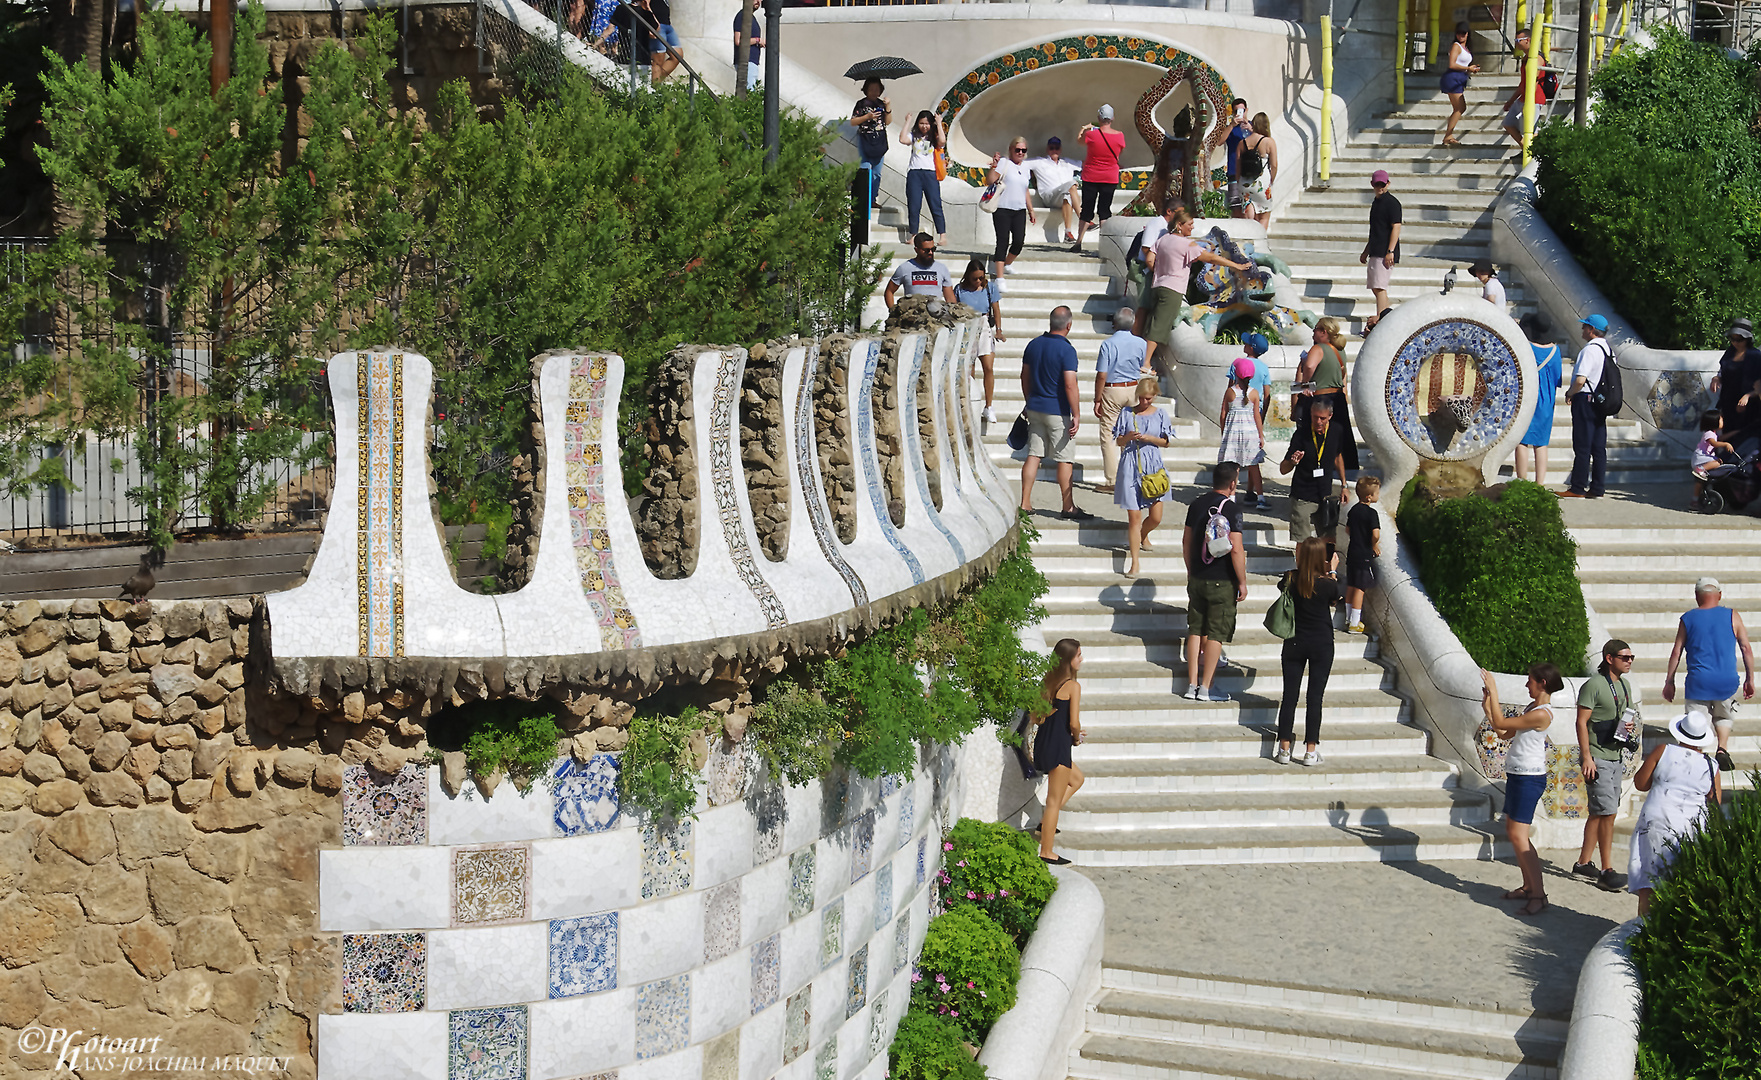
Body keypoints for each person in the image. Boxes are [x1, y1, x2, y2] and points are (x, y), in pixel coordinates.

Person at [1479, 662, 1564, 917]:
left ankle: (1539, 894)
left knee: (1519, 835)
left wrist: (1494, 692)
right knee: (1513, 832)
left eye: (1530, 680)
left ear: (1543, 683)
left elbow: (1503, 720)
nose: (1527, 684)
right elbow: (1504, 732)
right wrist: (1488, 707)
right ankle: (1528, 887)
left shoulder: (1543, 713)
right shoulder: (1532, 708)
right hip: (1518, 776)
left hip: (1529, 779)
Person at [1628, 711, 1722, 915]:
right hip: (1691, 827)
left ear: (1680, 733)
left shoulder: (1663, 751)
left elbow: (1641, 783)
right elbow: (1715, 802)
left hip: (1657, 821)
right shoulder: (1711, 765)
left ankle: (1644, 931)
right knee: (1681, 881)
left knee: (1649, 879)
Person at [1141, 205, 1253, 371]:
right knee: (1159, 326)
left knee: (1152, 323)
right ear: (1179, 225)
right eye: (1189, 224)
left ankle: (1143, 359)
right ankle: (1145, 364)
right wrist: (1236, 265)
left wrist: (1161, 271)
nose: (1192, 227)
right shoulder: (1186, 245)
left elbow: (1150, 259)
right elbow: (1212, 257)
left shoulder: (1162, 240)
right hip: (1172, 289)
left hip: (1157, 286)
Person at [1662, 576, 1754, 773]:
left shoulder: (1687, 619)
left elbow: (1677, 651)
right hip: (1726, 681)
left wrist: (1669, 681)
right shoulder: (1732, 615)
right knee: (1723, 716)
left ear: (1697, 596)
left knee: (1697, 721)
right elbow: (1746, 648)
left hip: (1698, 682)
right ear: (1719, 595)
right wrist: (1750, 678)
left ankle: (1696, 756)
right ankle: (1722, 748)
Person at [1573, 639, 1638, 891]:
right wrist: (1586, 757)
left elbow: (1623, 715)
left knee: (1600, 812)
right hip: (1597, 756)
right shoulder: (1594, 685)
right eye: (1625, 657)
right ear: (1610, 658)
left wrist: (1626, 727)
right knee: (1608, 812)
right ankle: (1607, 869)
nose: (1629, 661)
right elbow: (1581, 722)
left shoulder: (1624, 685)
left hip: (1615, 755)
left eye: (1632, 657)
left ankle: (1583, 863)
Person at [1182, 461, 1247, 703]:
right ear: (1232, 483)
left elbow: (1186, 541)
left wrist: (1191, 570)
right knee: (1216, 633)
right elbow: (1236, 549)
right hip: (1222, 580)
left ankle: (1191, 684)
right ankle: (1207, 687)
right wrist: (1242, 581)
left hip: (1197, 577)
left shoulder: (1196, 504)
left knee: (1195, 630)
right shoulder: (1232, 509)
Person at [1019, 307, 1091, 520]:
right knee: (1064, 459)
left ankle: (1025, 502)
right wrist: (1076, 414)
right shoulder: (1067, 350)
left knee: (1033, 454)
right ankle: (1068, 507)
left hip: (1035, 407)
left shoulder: (1033, 344)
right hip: (1057, 411)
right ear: (1069, 325)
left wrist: (1028, 399)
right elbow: (1070, 385)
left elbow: (1024, 376)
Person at [1275, 537, 1340, 766]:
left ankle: (1283, 749)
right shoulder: (1329, 583)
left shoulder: (1290, 578)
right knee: (1315, 698)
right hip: (1321, 643)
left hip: (1294, 642)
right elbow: (1335, 597)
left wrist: (1298, 561)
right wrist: (1332, 570)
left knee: (1289, 696)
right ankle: (1310, 751)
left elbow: (1284, 584)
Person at [1032, 638, 1086, 865]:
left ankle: (1046, 824)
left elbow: (1035, 718)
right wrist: (1077, 737)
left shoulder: (1046, 683)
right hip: (1060, 746)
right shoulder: (1073, 686)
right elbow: (1074, 723)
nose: (1081, 660)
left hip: (1044, 743)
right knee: (1053, 801)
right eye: (1078, 656)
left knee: (1078, 779)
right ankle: (1046, 850)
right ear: (1068, 660)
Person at [1113, 376, 1174, 578]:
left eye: (1149, 398)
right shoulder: (1127, 413)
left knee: (1156, 517)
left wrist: (1150, 438)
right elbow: (1118, 442)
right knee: (1134, 518)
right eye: (1142, 397)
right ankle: (1134, 563)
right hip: (1131, 465)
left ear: (1155, 396)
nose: (1145, 401)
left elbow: (1166, 442)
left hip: (1153, 466)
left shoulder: (1161, 414)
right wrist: (1128, 438)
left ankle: (1143, 535)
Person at [1093, 308, 1150, 495]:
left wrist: (1097, 398)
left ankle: (1112, 480)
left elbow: (1102, 374)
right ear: (1133, 323)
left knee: (1109, 435)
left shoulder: (1108, 344)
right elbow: (1143, 365)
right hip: (1134, 387)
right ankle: (1133, 476)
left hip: (1113, 388)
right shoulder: (1141, 343)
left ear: (1115, 323)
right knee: (1131, 433)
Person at [1280, 396, 1349, 544]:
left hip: (1325, 494)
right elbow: (1283, 469)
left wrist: (1344, 485)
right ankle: (1303, 567)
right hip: (1303, 494)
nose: (1318, 422)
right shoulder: (1301, 434)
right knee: (1303, 542)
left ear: (1330, 416)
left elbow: (1338, 456)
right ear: (1310, 413)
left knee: (1329, 539)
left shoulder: (1336, 430)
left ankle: (1326, 567)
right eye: (1315, 417)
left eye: (1322, 418)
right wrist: (1293, 462)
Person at [1292, 318, 1358, 470]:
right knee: (1341, 437)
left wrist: (1306, 385)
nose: (1313, 333)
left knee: (1317, 436)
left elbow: (1309, 365)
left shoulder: (1318, 348)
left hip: (1321, 398)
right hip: (1338, 399)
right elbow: (1343, 378)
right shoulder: (1340, 351)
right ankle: (1346, 472)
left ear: (1323, 332)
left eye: (1315, 329)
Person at [1562, 314, 1613, 499]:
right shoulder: (1608, 350)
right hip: (1600, 402)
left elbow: (1581, 380)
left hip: (1585, 400)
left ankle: (1577, 488)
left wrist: (1570, 393)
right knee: (1598, 447)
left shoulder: (1590, 350)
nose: (1582, 329)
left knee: (1582, 446)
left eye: (1585, 327)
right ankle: (1597, 488)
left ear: (1591, 330)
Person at [1515, 313, 1562, 487]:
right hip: (1546, 401)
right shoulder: (1555, 351)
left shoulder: (1526, 347)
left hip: (1527, 399)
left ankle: (1521, 481)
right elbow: (1558, 378)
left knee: (1522, 441)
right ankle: (1540, 483)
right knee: (1541, 444)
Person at [954, 259, 1004, 423]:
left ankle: (989, 406)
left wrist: (998, 330)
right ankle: (969, 401)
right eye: (975, 278)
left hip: (983, 324)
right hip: (967, 324)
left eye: (980, 278)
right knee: (970, 367)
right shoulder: (960, 290)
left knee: (988, 366)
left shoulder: (989, 288)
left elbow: (996, 309)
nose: (978, 282)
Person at [1071, 105, 1126, 251]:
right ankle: (1105, 245)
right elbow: (1119, 151)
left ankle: (1078, 242)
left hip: (1091, 175)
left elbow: (1079, 140)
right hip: (1110, 176)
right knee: (1105, 210)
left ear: (1098, 118)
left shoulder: (1091, 135)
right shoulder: (1119, 135)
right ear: (1112, 118)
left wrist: (1085, 128)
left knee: (1087, 210)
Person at [986, 138, 1035, 286]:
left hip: (1019, 209)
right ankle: (1000, 277)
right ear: (1011, 149)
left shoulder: (1026, 168)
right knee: (1002, 241)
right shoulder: (1004, 163)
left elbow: (1025, 189)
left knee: (1019, 241)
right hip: (1002, 208)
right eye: (1017, 150)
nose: (1020, 153)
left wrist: (1030, 209)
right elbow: (990, 180)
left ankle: (1006, 264)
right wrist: (994, 165)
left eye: (1023, 150)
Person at [1217, 358, 1266, 505]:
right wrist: (1260, 435)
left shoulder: (1230, 392)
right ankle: (1261, 498)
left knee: (1234, 466)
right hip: (1250, 433)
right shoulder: (1254, 393)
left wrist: (1223, 431)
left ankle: (1231, 497)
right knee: (1254, 465)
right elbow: (1257, 415)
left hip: (1233, 432)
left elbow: (1223, 413)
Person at [899, 111, 947, 245]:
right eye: (921, 123)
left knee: (935, 205)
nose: (924, 126)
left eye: (926, 123)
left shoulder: (934, 137)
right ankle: (913, 234)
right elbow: (902, 139)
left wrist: (938, 123)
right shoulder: (914, 136)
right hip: (915, 173)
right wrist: (907, 121)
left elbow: (942, 141)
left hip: (930, 174)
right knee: (914, 205)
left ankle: (942, 235)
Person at [1710, 317, 1760, 441]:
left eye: (1739, 339)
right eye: (1732, 339)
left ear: (1747, 339)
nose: (1735, 342)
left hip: (1750, 406)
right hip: (1729, 403)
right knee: (1728, 432)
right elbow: (1723, 372)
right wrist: (1716, 378)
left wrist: (1748, 396)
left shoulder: (1756, 356)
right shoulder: (1729, 353)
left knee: (1746, 435)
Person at [1500, 27, 1549, 150]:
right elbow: (1523, 83)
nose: (1516, 42)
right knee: (1508, 123)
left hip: (1534, 98)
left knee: (1531, 130)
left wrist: (1527, 100)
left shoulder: (1537, 58)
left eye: (1518, 40)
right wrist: (1511, 101)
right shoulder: (1526, 58)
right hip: (1524, 97)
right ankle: (1527, 150)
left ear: (1527, 40)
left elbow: (1534, 79)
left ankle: (1532, 154)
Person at [1343, 475, 1380, 634]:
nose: (1379, 495)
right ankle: (1355, 623)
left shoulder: (1353, 510)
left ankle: (1348, 617)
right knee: (1360, 588)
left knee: (1351, 585)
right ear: (1369, 497)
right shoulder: (1371, 514)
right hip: (1364, 553)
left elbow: (1347, 529)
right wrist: (1373, 545)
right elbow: (1376, 534)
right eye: (1377, 493)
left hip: (1352, 552)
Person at [1025, 137, 1081, 244]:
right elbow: (1018, 161)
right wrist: (1000, 161)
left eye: (1056, 148)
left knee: (1068, 195)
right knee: (1071, 184)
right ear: (1047, 149)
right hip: (1049, 196)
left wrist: (1112, 164)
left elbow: (1086, 164)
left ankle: (1068, 233)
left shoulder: (1067, 162)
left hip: (1065, 195)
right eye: (1051, 148)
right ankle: (1082, 217)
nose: (1054, 150)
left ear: (1060, 149)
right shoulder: (1039, 162)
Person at [1361, 171, 1402, 315]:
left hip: (1385, 252)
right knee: (1376, 287)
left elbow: (1396, 226)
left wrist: (1390, 251)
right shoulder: (1376, 203)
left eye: (1382, 184)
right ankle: (1386, 315)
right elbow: (1375, 229)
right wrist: (1367, 250)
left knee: (1379, 287)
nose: (1380, 187)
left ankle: (1380, 318)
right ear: (1372, 184)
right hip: (1376, 249)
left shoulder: (1392, 203)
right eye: (1377, 184)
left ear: (1388, 184)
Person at [884, 234, 957, 310]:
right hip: (912, 316)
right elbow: (889, 291)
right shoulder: (905, 268)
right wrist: (893, 311)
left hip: (935, 317)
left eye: (933, 249)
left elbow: (950, 298)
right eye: (926, 250)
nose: (930, 253)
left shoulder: (942, 268)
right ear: (916, 250)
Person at [850, 80, 891, 209]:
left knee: (877, 172)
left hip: (879, 140)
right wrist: (867, 117)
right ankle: (862, 198)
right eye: (872, 89)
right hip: (865, 138)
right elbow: (853, 122)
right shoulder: (861, 104)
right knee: (865, 169)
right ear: (866, 89)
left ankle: (872, 199)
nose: (874, 92)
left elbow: (888, 122)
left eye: (877, 89)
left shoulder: (881, 104)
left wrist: (888, 107)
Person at [1439, 22, 1480, 147]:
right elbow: (1452, 64)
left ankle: (1448, 135)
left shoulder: (1465, 48)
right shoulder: (1456, 46)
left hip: (1459, 78)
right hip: (1453, 77)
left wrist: (1470, 68)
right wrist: (1468, 68)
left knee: (1459, 108)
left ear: (1468, 34)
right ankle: (1448, 135)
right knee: (1460, 107)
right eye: (1459, 33)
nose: (1461, 35)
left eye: (1463, 33)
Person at [1237, 113, 1279, 229]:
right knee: (1264, 216)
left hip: (1244, 183)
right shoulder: (1269, 142)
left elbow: (1238, 166)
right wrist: (1271, 179)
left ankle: (1250, 241)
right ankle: (1260, 243)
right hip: (1262, 183)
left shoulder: (1242, 143)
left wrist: (1238, 182)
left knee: (1249, 214)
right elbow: (1274, 165)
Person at [1690, 413, 1737, 506]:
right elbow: (1714, 443)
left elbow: (1720, 438)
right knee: (1718, 462)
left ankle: (1695, 500)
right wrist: (1726, 444)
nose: (1723, 421)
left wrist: (1735, 432)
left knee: (1700, 482)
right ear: (1714, 422)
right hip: (1701, 458)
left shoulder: (1713, 433)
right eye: (1721, 420)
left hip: (1702, 458)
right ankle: (1701, 469)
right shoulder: (1709, 433)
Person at [1224, 100, 1251, 218]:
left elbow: (1264, 142)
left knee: (1250, 206)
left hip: (1249, 172)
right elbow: (1219, 141)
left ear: (1246, 110)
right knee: (1235, 207)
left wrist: (1251, 129)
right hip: (1234, 172)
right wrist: (1231, 125)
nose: (1240, 114)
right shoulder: (1230, 128)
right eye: (1237, 111)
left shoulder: (1252, 126)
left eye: (1242, 110)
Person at [1241, 332, 1273, 428]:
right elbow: (1267, 395)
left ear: (1251, 348)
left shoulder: (1238, 364)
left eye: (1247, 343)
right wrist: (1261, 417)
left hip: (1239, 408)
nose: (1244, 343)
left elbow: (1230, 388)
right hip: (1256, 410)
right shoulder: (1264, 368)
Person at [732, 7, 762, 91]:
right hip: (747, 60)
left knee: (751, 89)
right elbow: (738, 41)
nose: (758, 1)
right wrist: (757, 40)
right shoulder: (742, 15)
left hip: (752, 61)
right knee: (750, 91)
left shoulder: (751, 17)